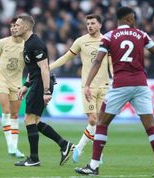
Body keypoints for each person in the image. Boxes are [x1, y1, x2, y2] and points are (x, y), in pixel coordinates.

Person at [74, 7, 154, 177]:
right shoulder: (141, 34)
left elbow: (97, 62)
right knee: (151, 127)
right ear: (130, 19)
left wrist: (87, 84)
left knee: (102, 124)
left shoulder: (109, 37)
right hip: (141, 84)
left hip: (120, 85)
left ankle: (94, 166)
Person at [13, 15, 74, 167]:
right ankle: (64, 144)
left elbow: (44, 68)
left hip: (41, 84)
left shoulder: (35, 43)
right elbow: (33, 69)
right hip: (35, 83)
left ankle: (34, 159)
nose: (15, 27)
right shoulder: (28, 43)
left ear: (26, 27)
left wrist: (46, 91)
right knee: (35, 121)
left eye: (18, 25)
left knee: (28, 120)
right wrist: (26, 85)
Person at [50, 14, 111, 163]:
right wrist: (48, 67)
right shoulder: (81, 41)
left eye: (92, 23)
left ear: (100, 25)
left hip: (104, 86)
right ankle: (93, 152)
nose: (89, 26)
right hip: (88, 87)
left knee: (100, 123)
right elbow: (66, 57)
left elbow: (111, 62)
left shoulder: (107, 41)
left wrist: (115, 79)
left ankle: (80, 147)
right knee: (92, 119)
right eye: (88, 23)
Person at [0, 17, 25, 158]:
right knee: (7, 111)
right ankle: (11, 146)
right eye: (12, 26)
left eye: (16, 26)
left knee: (15, 115)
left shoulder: (27, 45)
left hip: (17, 83)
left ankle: (15, 147)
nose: (14, 28)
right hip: (0, 80)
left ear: (23, 28)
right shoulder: (2, 42)